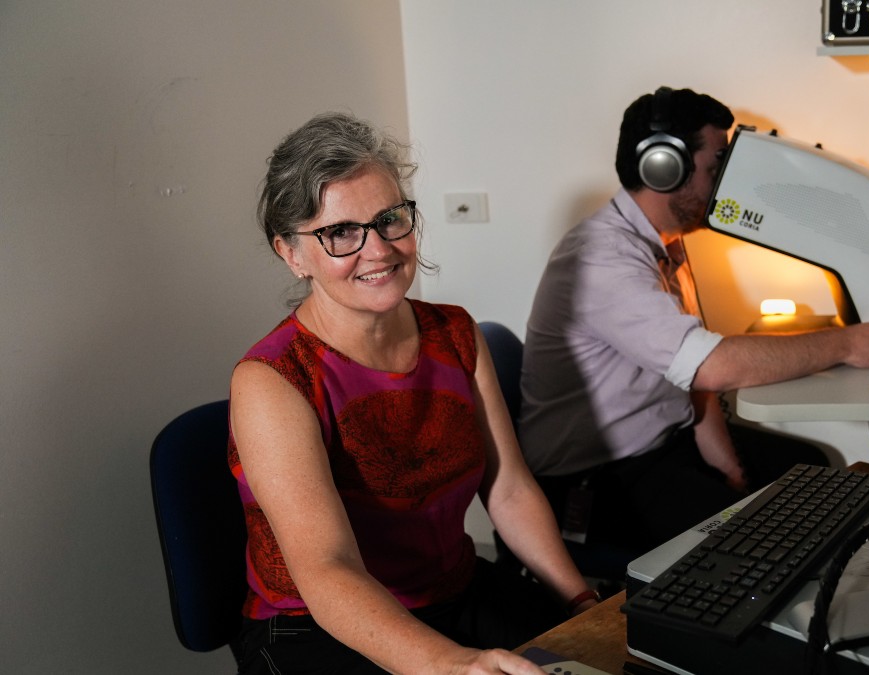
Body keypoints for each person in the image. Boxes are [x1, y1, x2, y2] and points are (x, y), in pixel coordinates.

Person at [228, 112, 597, 675]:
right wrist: (452, 666)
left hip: (455, 593)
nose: (377, 249)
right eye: (340, 232)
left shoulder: (455, 332)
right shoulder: (271, 381)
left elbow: (509, 490)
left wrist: (581, 604)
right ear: (292, 253)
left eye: (389, 219)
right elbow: (328, 568)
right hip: (317, 625)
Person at [519, 87, 869, 556]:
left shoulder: (666, 243)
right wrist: (847, 344)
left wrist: (730, 469)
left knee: (808, 467)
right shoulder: (603, 259)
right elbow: (710, 365)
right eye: (715, 167)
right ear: (662, 167)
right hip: (593, 481)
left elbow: (694, 377)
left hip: (662, 443)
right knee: (762, 545)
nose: (722, 182)